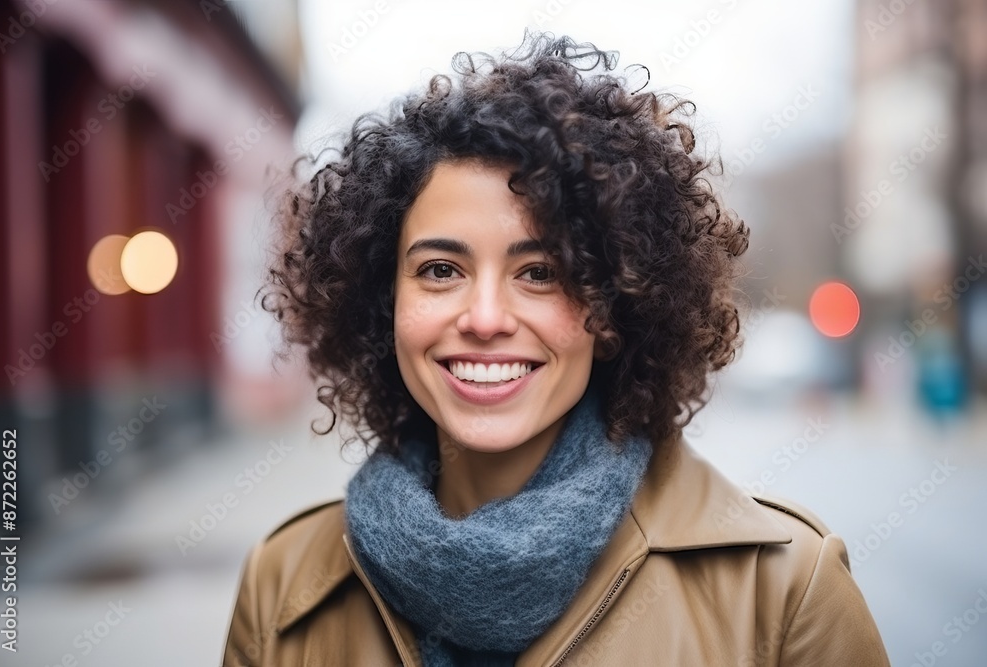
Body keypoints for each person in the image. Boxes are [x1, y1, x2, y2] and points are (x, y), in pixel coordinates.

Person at [222, 32, 890, 666]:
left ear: (616, 306)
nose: (484, 318)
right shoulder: (284, 585)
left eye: (541, 272)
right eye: (440, 270)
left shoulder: (783, 592)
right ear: (382, 300)